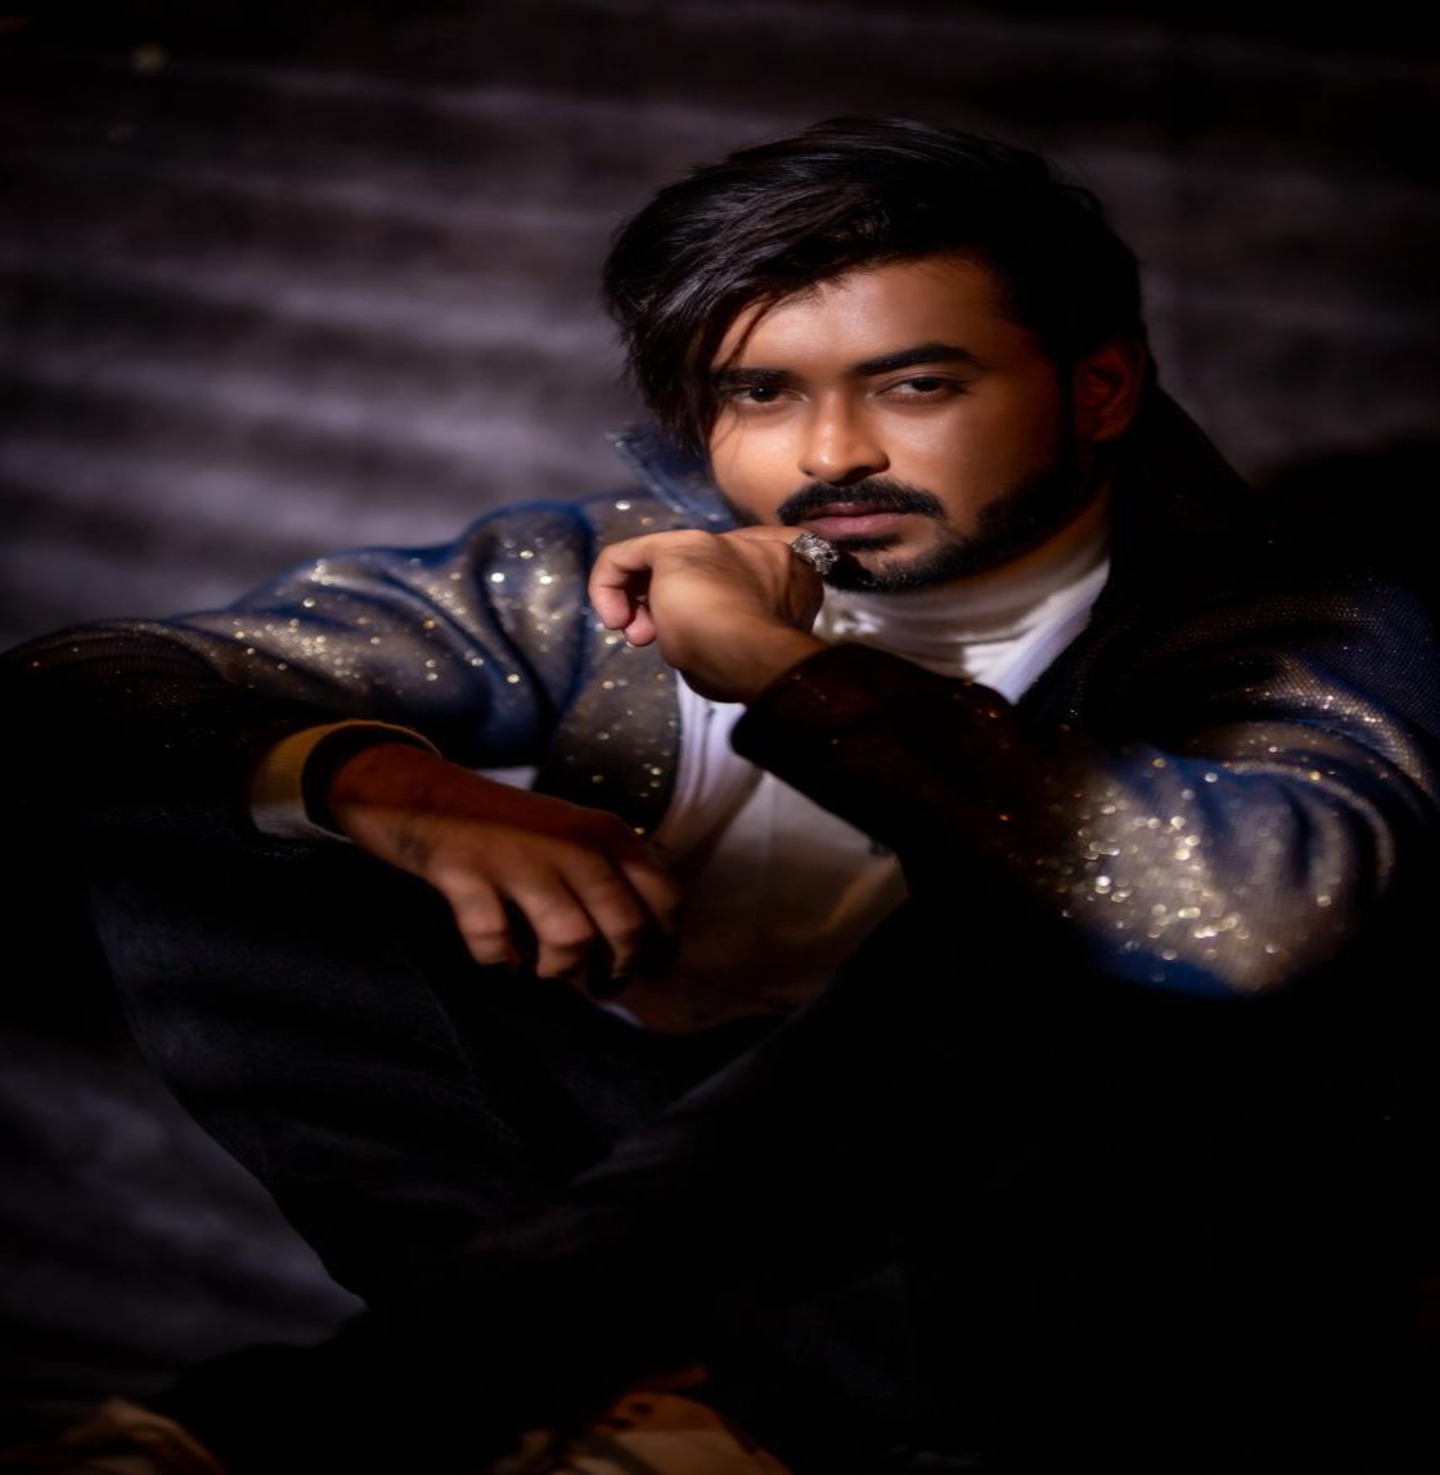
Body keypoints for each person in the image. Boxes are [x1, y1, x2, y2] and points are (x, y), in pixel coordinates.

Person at [2, 115, 1439, 1474]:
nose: (832, 455)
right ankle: (649, 1415)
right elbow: (72, 688)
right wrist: (386, 786)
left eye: (918, 385)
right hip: (623, 1239)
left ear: (1100, 388)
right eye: (762, 393)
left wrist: (772, 664)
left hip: (1017, 1298)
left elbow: (1249, 914)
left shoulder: (1285, 617)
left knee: (1034, 909)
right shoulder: (590, 572)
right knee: (220, 830)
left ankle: (396, 1410)